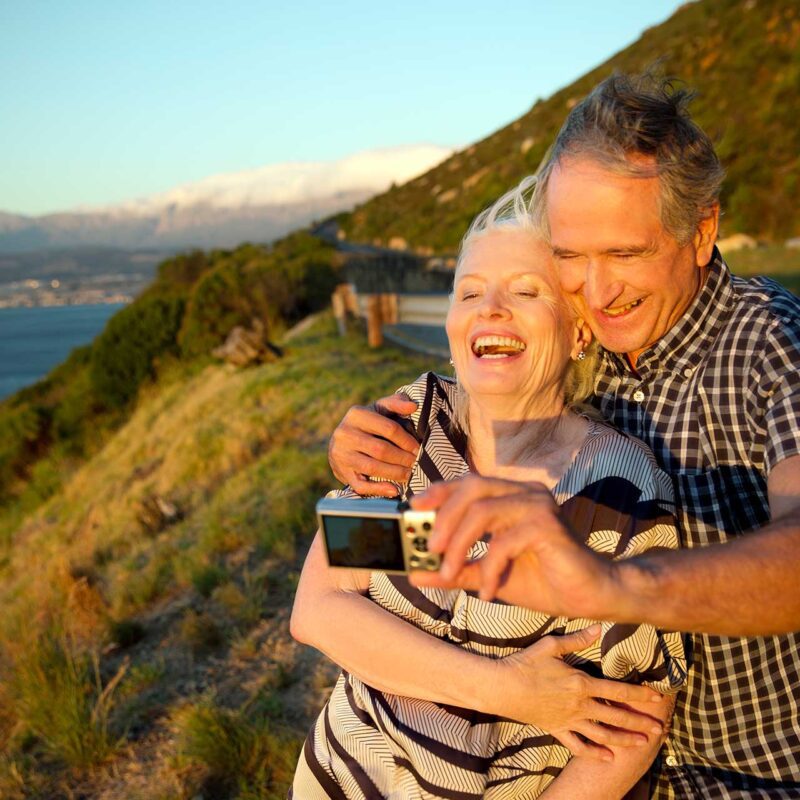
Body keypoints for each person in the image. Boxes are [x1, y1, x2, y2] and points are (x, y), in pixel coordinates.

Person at [328, 73, 800, 798]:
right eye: (573, 257)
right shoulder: (508, 399)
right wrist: (369, 456)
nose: (600, 290)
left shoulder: (770, 346)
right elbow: (337, 583)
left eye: (627, 253)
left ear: (702, 231)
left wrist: (612, 588)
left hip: (750, 775)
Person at [290, 183, 687, 798]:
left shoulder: (615, 496)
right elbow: (322, 608)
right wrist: (508, 690)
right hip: (341, 776)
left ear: (578, 330)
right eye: (470, 292)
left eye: (526, 291)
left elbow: (634, 724)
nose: (491, 308)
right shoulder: (415, 435)